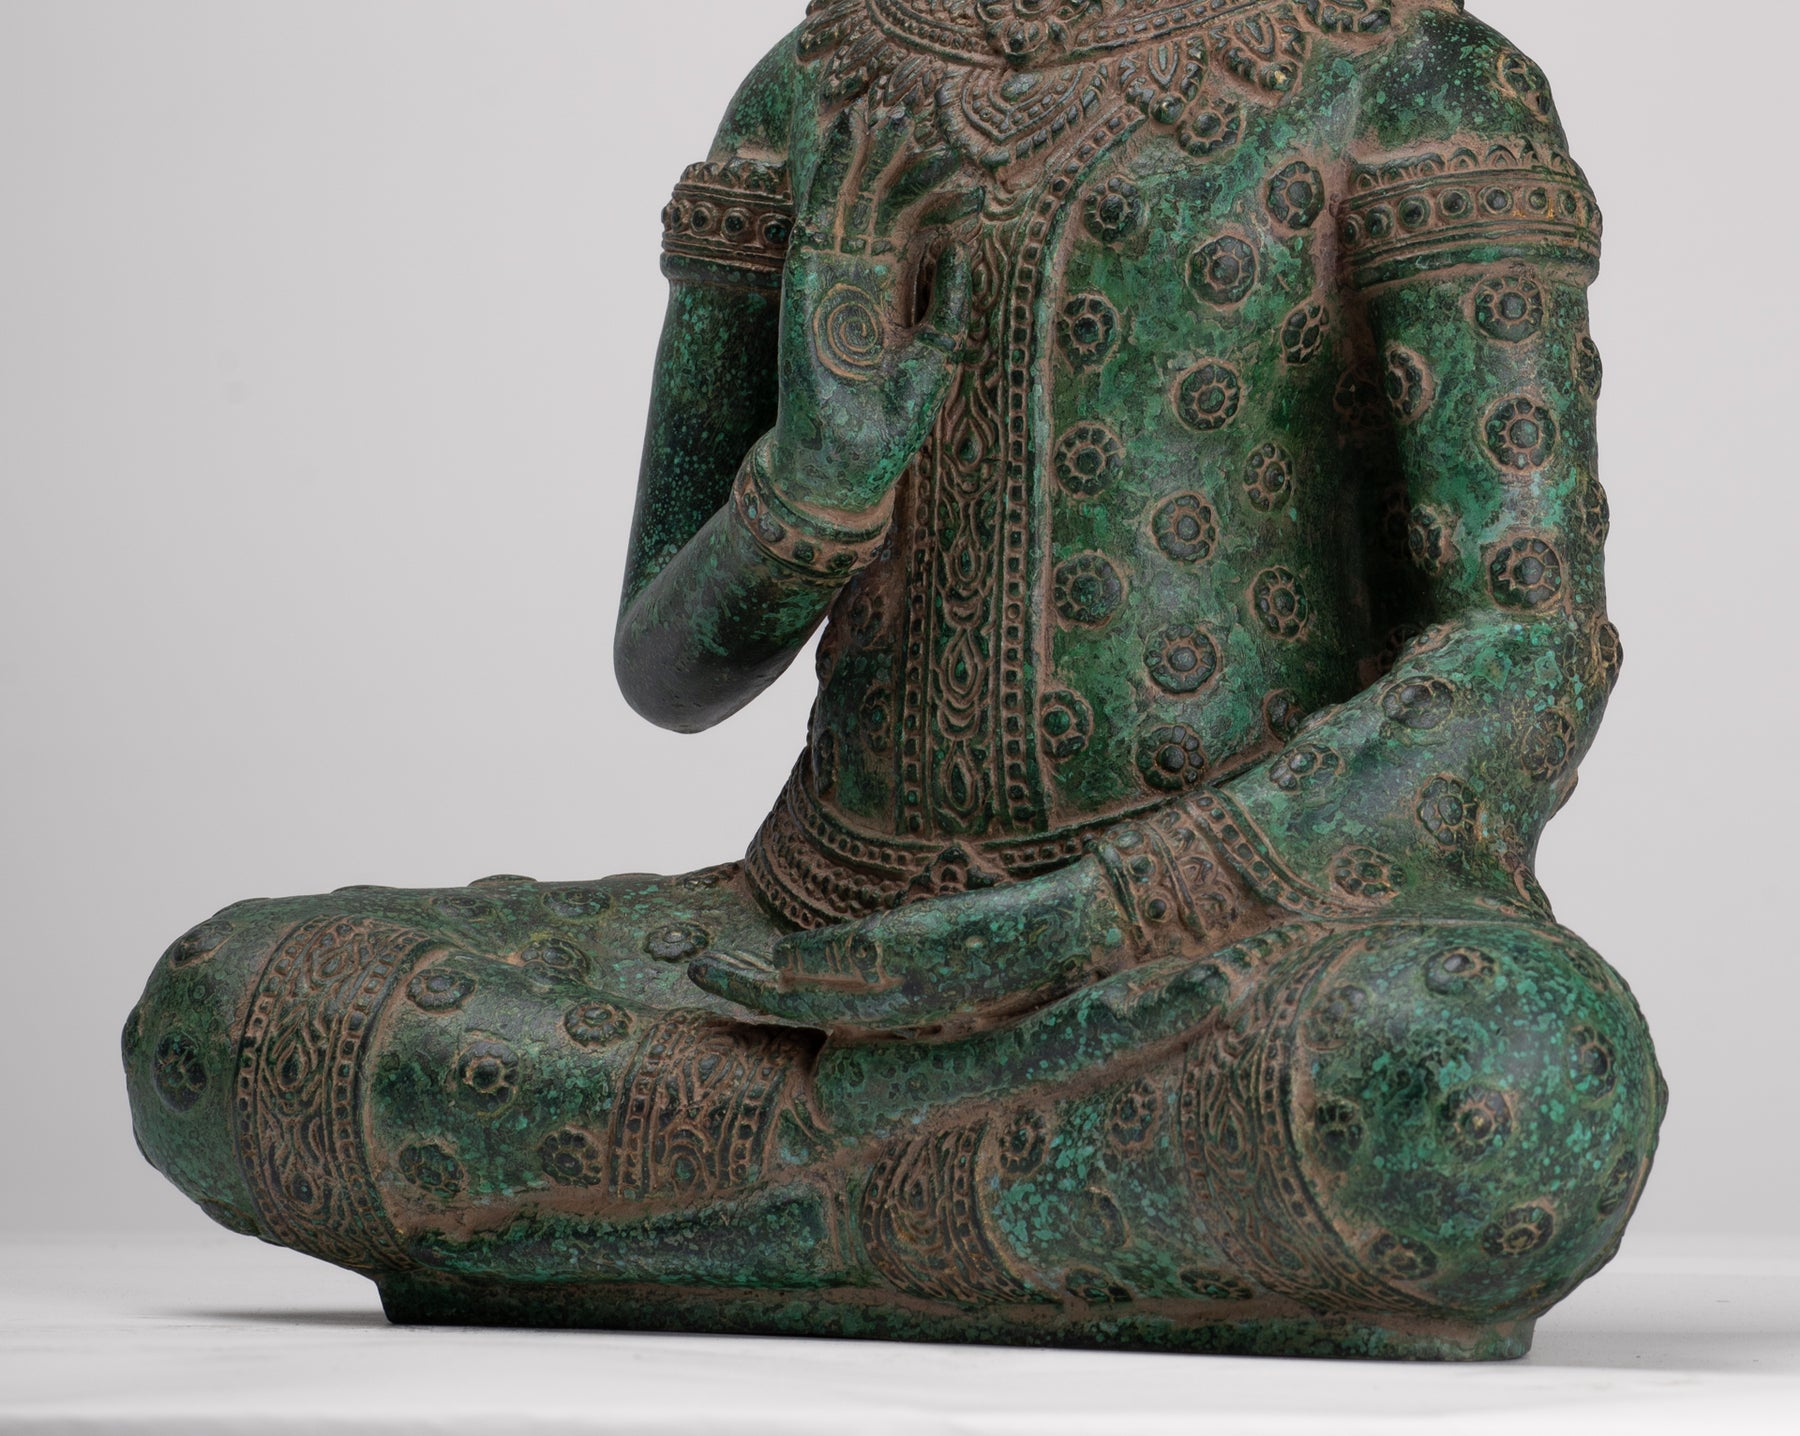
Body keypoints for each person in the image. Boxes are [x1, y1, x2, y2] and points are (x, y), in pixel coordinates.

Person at [125, 0, 1664, 1359]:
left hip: (1222, 958)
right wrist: (807, 495)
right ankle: (964, 1185)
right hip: (812, 944)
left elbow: (1525, 647)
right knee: (226, 1017)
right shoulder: (816, 87)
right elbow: (668, 671)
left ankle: (702, 1194)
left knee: (1497, 1086)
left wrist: (1099, 916)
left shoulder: (1417, 78)